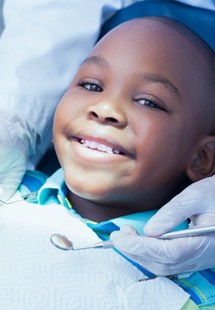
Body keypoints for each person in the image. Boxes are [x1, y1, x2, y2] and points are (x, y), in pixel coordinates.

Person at [1, 16, 215, 309]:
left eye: (148, 102)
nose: (105, 109)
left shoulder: (197, 293)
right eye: (90, 85)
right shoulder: (8, 189)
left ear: (202, 158)